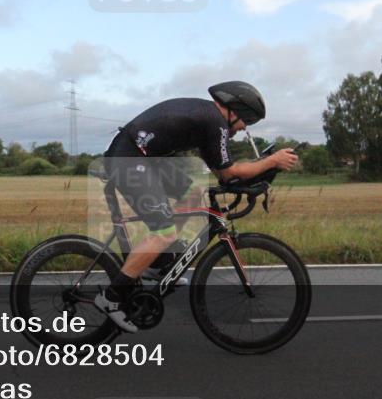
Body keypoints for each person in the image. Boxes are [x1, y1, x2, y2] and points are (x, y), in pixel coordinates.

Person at [94, 81, 300, 332]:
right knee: (164, 232)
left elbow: (223, 172)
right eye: (247, 121)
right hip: (129, 159)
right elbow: (229, 172)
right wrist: (270, 161)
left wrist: (264, 166)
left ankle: (158, 264)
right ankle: (112, 297)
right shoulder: (214, 121)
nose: (245, 127)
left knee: (192, 193)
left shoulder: (207, 119)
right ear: (235, 111)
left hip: (141, 156)